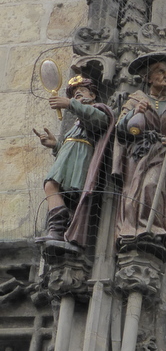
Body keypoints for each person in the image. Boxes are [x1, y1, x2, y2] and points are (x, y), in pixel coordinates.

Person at [113, 52, 166, 257]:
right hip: (137, 155)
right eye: (160, 71)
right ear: (148, 78)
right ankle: (132, 229)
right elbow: (121, 129)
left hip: (160, 152)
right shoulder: (136, 99)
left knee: (151, 185)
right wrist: (134, 112)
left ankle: (153, 229)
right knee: (133, 190)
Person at [32, 76, 113, 251]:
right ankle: (59, 229)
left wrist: (70, 104)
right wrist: (55, 145)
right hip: (69, 157)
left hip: (81, 158)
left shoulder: (98, 110)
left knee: (53, 186)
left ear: (92, 95)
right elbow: (72, 141)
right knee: (53, 187)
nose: (76, 96)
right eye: (74, 95)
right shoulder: (78, 120)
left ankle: (59, 229)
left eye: (80, 92)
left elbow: (99, 122)